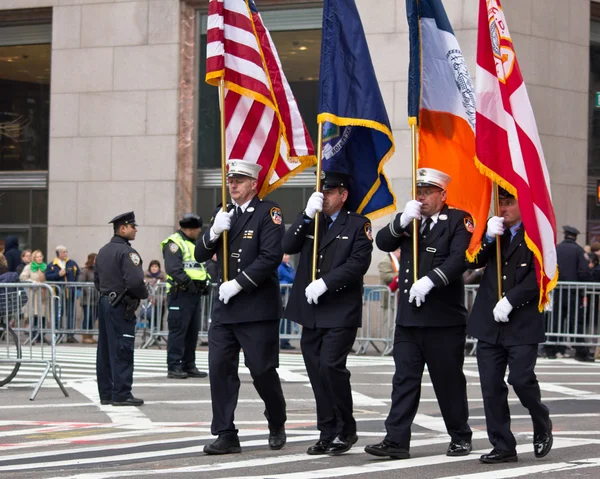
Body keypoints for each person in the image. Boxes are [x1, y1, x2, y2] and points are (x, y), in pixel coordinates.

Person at [365, 168, 473, 460]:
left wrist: (431, 280)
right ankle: (396, 441)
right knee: (404, 381)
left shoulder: (458, 221)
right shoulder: (410, 221)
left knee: (447, 381)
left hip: (443, 320)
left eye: (427, 192)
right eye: (419, 192)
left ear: (442, 195)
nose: (422, 197)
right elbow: (383, 243)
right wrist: (401, 220)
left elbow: (458, 259)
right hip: (409, 319)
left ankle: (460, 436)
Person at [194, 160, 287, 455]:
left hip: (257, 309)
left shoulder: (268, 213)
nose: (232, 184)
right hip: (225, 311)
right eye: (230, 179)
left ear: (253, 184)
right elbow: (199, 254)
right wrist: (211, 233)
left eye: (239, 180)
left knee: (262, 371)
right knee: (220, 370)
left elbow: (270, 257)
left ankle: (276, 419)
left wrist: (239, 283)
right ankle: (225, 432)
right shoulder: (223, 214)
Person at [282, 170, 373, 456]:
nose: (324, 196)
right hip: (312, 311)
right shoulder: (313, 220)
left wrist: (326, 282)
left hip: (339, 310)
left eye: (330, 191)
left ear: (343, 195)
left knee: (331, 367)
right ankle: (327, 430)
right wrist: (305, 216)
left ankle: (346, 429)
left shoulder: (358, 224)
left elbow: (359, 263)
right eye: (321, 191)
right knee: (316, 372)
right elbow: (287, 246)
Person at [466, 188, 553, 463]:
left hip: (522, 322)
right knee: (491, 386)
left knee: (520, 379)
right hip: (490, 323)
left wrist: (511, 300)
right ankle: (503, 445)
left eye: (509, 203)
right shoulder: (494, 233)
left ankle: (541, 420)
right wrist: (489, 237)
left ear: (522, 204)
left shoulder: (536, 236)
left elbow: (539, 276)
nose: (502, 208)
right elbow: (473, 261)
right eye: (500, 202)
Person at [94, 211, 148, 406]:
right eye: (133, 226)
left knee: (106, 349)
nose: (135, 230)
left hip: (106, 302)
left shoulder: (103, 251)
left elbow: (97, 281)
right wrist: (143, 294)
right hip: (121, 306)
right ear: (123, 228)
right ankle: (122, 393)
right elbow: (135, 281)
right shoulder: (127, 253)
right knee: (123, 348)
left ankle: (106, 393)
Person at [161, 213, 210, 379]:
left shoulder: (192, 244)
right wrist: (190, 284)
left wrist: (205, 283)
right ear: (189, 229)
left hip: (193, 293)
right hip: (180, 293)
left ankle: (189, 365)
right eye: (197, 229)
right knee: (178, 331)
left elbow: (200, 268)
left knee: (192, 332)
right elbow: (174, 269)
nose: (199, 232)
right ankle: (174, 366)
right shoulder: (174, 243)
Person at [548, 226, 593, 361]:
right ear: (575, 236)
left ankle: (551, 349)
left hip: (558, 290)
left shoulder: (556, 249)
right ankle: (579, 351)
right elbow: (584, 272)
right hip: (574, 291)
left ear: (565, 235)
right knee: (575, 321)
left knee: (556, 320)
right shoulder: (579, 251)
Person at [46, 245, 80, 343]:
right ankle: (57, 335)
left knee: (71, 314)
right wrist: (58, 274)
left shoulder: (72, 263)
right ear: (59, 253)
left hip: (70, 293)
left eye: (66, 252)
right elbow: (47, 276)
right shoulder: (52, 265)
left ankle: (70, 335)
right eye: (64, 252)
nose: (66, 254)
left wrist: (76, 288)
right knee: (58, 314)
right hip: (58, 293)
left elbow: (78, 274)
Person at [19, 250, 49, 343]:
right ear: (34, 258)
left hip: (43, 294)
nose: (40, 258)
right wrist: (33, 283)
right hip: (34, 294)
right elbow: (22, 278)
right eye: (37, 257)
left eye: (41, 256)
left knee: (43, 315)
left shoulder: (45, 267)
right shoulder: (29, 267)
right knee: (35, 314)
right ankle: (34, 334)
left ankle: (41, 335)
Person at [78, 253, 98, 344]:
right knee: (87, 317)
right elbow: (81, 283)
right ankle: (85, 336)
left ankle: (90, 335)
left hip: (96, 299)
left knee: (93, 318)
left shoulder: (98, 270)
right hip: (87, 299)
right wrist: (89, 290)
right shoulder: (85, 270)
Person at [278, 253, 296, 350]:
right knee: (285, 320)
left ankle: (285, 341)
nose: (287, 257)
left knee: (288, 320)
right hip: (284, 295)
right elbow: (290, 278)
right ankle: (284, 341)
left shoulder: (288, 266)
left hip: (288, 295)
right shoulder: (281, 267)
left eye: (287, 255)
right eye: (284, 255)